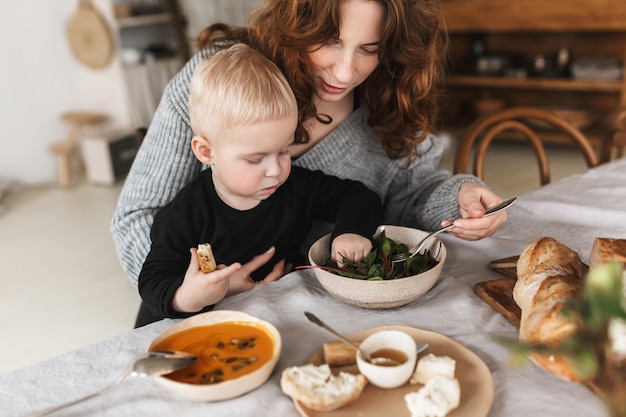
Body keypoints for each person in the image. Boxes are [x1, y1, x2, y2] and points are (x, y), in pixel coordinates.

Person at [112, 0, 507, 293]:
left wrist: (462, 198)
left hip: (317, 312)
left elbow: (412, 197)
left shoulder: (390, 97)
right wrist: (209, 291)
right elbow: (136, 219)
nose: (345, 72)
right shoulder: (215, 81)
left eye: (369, 49)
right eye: (329, 41)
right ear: (295, 21)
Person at [136, 43, 383, 326]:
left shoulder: (295, 187)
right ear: (206, 152)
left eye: (284, 151)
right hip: (185, 329)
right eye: (255, 159)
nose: (275, 170)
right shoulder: (184, 215)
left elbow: (357, 196)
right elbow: (152, 283)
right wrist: (187, 297)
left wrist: (350, 233)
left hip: (261, 321)